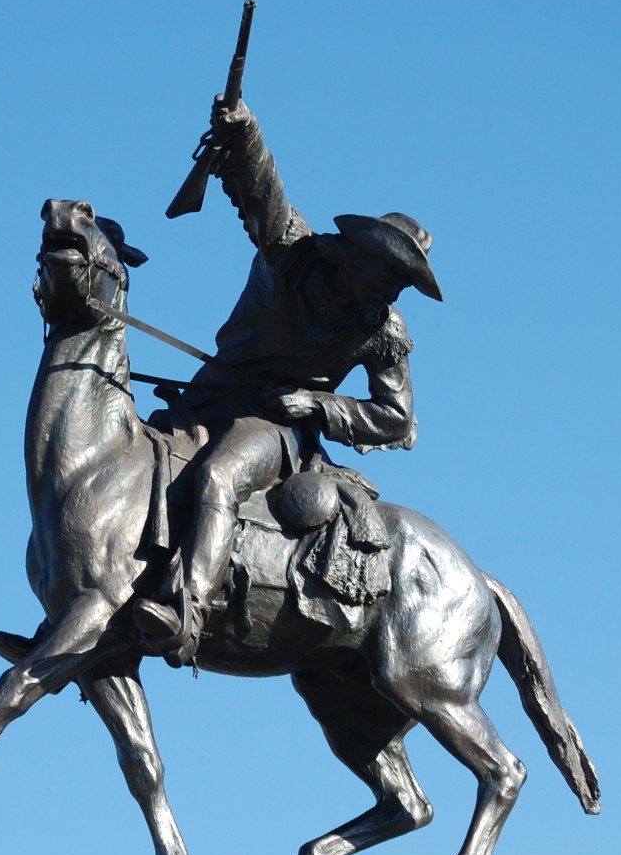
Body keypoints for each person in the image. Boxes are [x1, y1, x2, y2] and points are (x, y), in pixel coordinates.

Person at [132, 97, 442, 656]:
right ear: (359, 254)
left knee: (218, 478)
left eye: (402, 284)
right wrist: (243, 127)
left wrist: (316, 405)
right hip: (208, 399)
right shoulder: (294, 254)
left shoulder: (383, 330)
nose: (393, 292)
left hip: (276, 428)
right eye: (390, 275)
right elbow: (262, 188)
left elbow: (395, 419)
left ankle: (188, 610)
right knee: (132, 467)